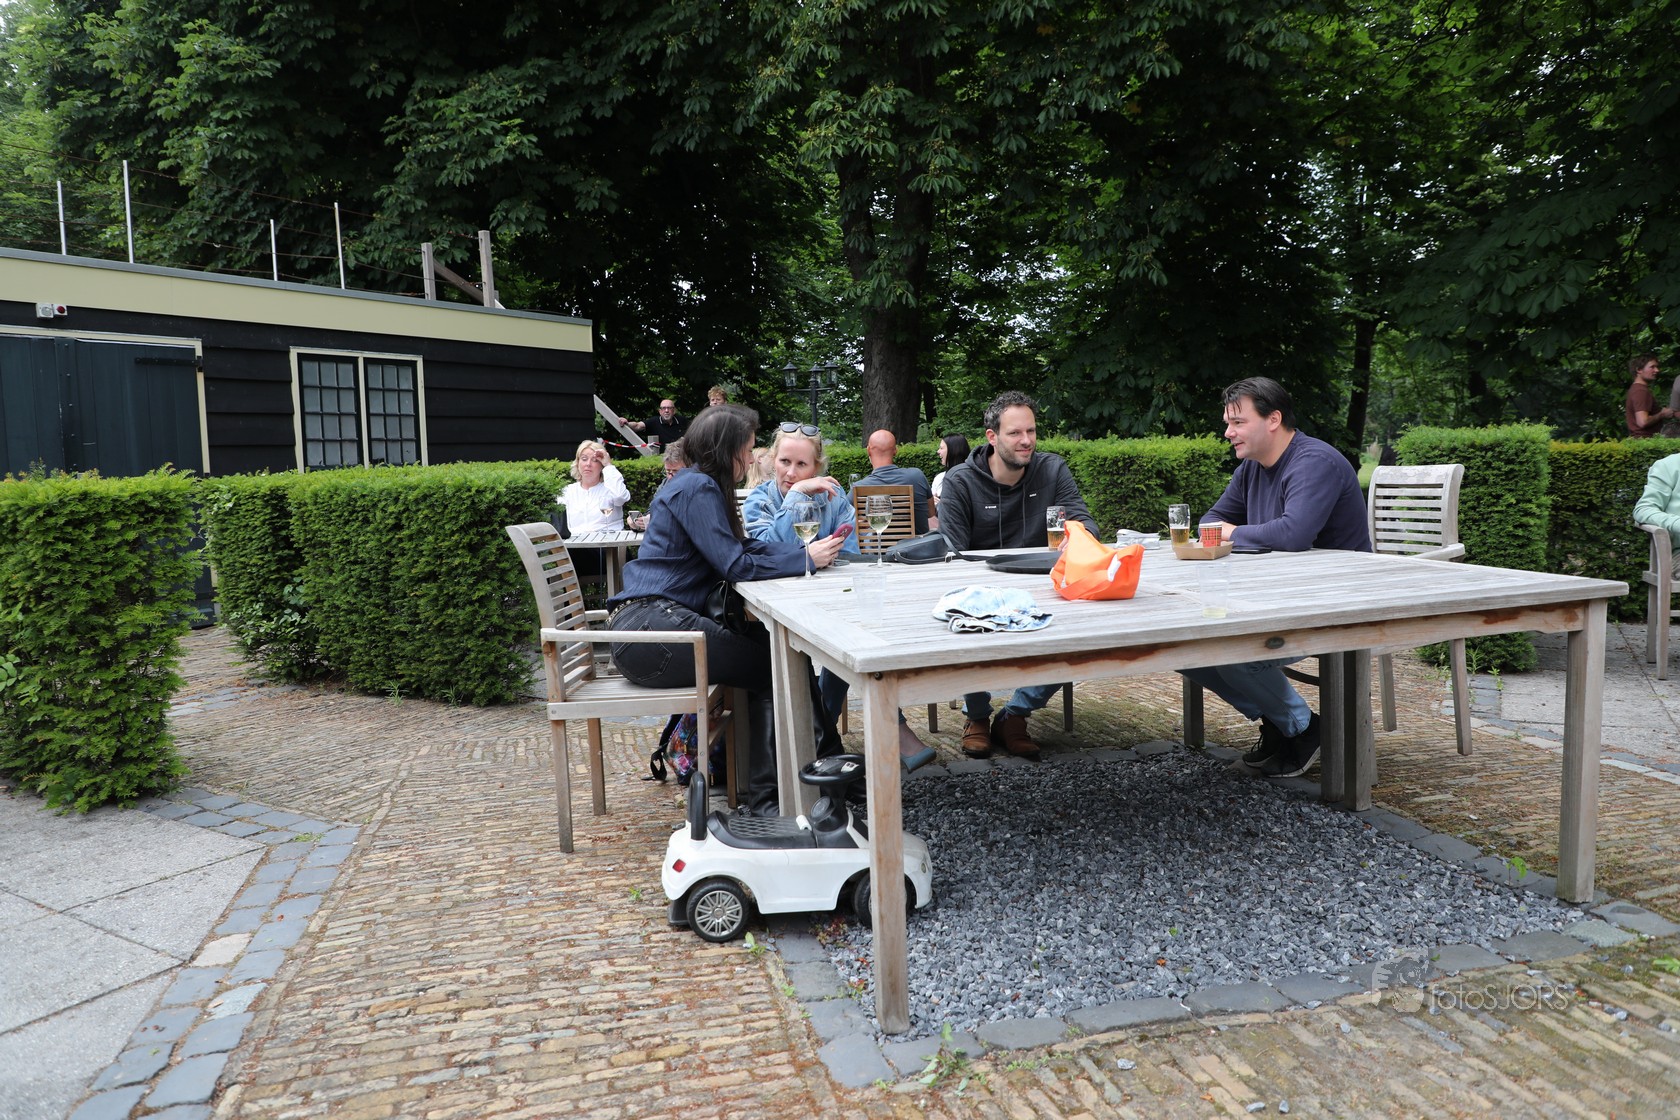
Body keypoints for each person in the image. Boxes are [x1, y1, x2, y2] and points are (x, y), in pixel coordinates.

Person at [607, 405, 847, 816]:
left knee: (772, 645)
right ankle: (771, 802)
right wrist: (805, 560)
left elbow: (742, 549)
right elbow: (735, 565)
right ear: (726, 449)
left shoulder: (700, 485)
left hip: (653, 629)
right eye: (748, 450)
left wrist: (806, 555)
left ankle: (825, 771)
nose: (752, 459)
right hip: (648, 633)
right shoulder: (697, 488)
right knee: (772, 664)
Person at [1182, 376, 1372, 779]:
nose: (1228, 432)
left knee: (1235, 651)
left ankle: (1304, 730)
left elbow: (1293, 534)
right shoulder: (1251, 469)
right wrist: (1229, 531)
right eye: (1228, 423)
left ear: (1273, 419)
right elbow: (1209, 523)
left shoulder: (1314, 463)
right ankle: (1286, 723)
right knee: (1182, 647)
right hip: (1280, 595)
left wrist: (1234, 533)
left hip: (1337, 600)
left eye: (1238, 422)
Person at [937, 391, 1097, 758]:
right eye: (1015, 433)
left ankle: (1015, 714)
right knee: (965, 620)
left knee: (1083, 631)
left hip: (1044, 587)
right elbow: (954, 553)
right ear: (992, 437)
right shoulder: (960, 481)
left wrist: (1078, 537)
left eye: (1031, 431)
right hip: (980, 590)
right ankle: (977, 715)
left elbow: (1085, 522)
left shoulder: (1052, 469)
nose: (1026, 440)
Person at [741, 423, 862, 549]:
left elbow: (849, 553)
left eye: (801, 464)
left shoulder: (833, 496)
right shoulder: (759, 501)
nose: (791, 473)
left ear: (816, 467)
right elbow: (767, 552)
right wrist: (796, 492)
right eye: (785, 461)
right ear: (774, 460)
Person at [849, 429, 932, 534]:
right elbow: (931, 513)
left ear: (868, 451)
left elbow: (846, 522)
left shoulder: (858, 487)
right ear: (895, 450)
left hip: (878, 545)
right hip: (918, 544)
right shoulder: (917, 476)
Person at [557, 440, 630, 533]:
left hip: (609, 540)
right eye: (584, 459)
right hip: (576, 541)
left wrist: (608, 465)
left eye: (595, 460)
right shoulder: (567, 491)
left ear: (602, 465)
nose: (588, 464)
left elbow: (621, 497)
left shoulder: (611, 488)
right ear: (578, 463)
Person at [928, 432, 970, 530]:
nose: (938, 451)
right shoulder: (939, 478)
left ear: (953, 450)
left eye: (941, 448)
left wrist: (944, 503)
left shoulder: (971, 478)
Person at [1626, 354, 1671, 438]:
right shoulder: (1640, 391)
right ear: (1639, 370)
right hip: (1644, 440)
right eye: (1652, 367)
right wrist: (1662, 414)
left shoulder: (1637, 389)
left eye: (1657, 367)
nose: (1657, 370)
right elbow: (1643, 422)